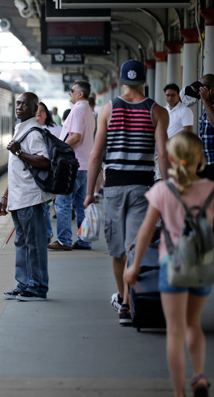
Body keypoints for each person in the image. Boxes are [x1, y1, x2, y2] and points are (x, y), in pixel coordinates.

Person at [124, 131, 212, 397]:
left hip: (172, 267)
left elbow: (145, 233)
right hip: (201, 266)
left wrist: (134, 267)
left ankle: (178, 394)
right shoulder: (210, 189)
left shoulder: (162, 190)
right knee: (193, 325)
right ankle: (199, 376)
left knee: (174, 332)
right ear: (200, 159)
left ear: (171, 158)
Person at [84, 59, 169, 325]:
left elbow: (96, 155)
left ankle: (123, 301)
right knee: (135, 247)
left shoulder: (108, 109)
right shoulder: (157, 111)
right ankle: (130, 305)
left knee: (118, 248)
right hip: (143, 187)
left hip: (114, 187)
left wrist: (89, 193)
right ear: (143, 80)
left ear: (121, 81)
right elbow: (163, 156)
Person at [0, 92, 54, 301]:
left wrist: (20, 152)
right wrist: (5, 197)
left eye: (24, 104)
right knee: (22, 243)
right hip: (18, 199)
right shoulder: (20, 129)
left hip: (31, 198)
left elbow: (45, 161)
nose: (19, 107)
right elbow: (17, 170)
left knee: (35, 244)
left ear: (34, 108)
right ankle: (24, 284)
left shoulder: (34, 132)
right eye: (18, 103)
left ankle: (38, 288)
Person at [48, 80, 96, 251]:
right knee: (79, 205)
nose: (70, 93)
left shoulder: (77, 111)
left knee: (61, 203)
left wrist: (61, 150)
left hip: (72, 166)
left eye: (72, 90)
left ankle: (64, 241)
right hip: (84, 166)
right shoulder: (88, 111)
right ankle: (84, 241)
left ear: (80, 94)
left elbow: (75, 136)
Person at [36, 102, 61, 243]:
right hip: (36, 173)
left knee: (46, 204)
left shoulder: (56, 129)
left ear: (47, 113)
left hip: (52, 171)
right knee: (42, 205)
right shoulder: (29, 129)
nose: (39, 113)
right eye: (37, 110)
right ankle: (45, 233)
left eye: (42, 110)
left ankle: (47, 234)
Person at [197, 74, 214, 181]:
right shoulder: (207, 106)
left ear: (210, 89)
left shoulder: (207, 104)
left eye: (202, 89)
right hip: (205, 161)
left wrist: (205, 100)